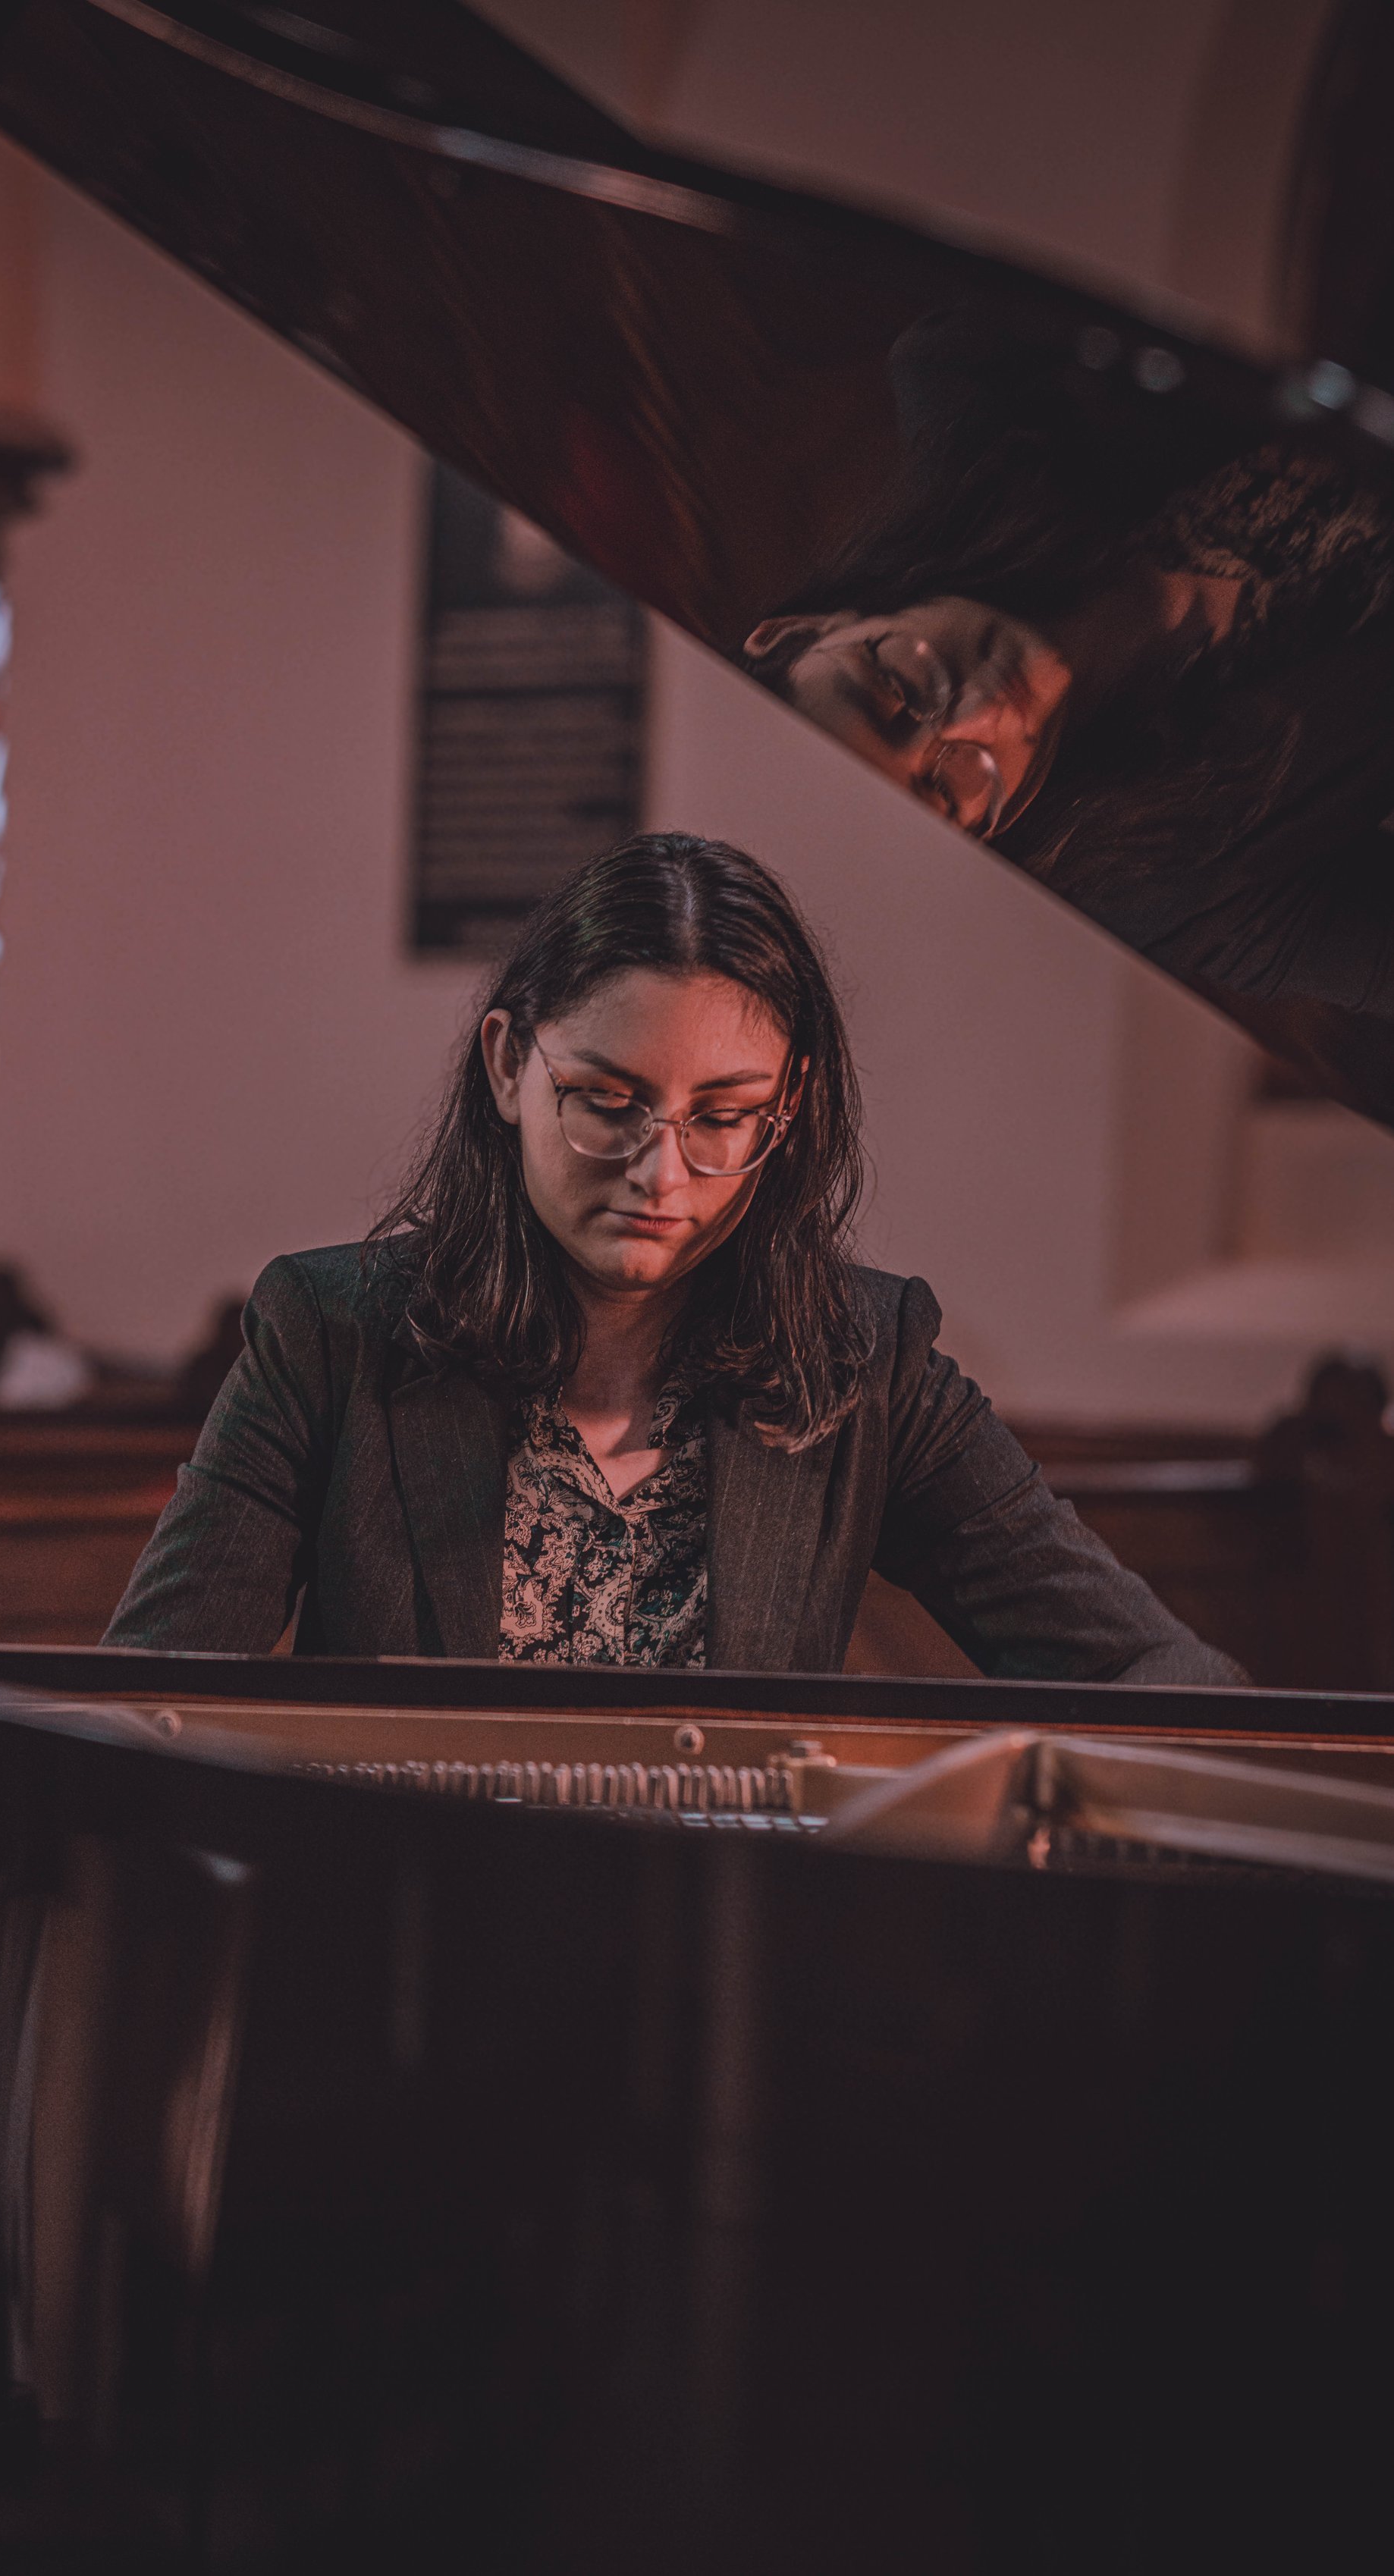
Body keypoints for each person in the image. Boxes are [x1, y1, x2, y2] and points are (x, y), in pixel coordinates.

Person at [107, 833, 1239, 1683]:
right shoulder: (329, 1334)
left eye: (724, 1114)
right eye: (608, 1102)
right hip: (406, 1967)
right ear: (508, 1065)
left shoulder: (866, 1362)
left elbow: (1149, 1673)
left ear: (788, 1108)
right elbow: (146, 1698)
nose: (663, 1173)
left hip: (728, 1978)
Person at [741, 308, 1394, 1030]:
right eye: (950, 785)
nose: (978, 714)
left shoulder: (965, 389)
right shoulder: (1186, 884)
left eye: (899, 687)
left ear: (801, 631)